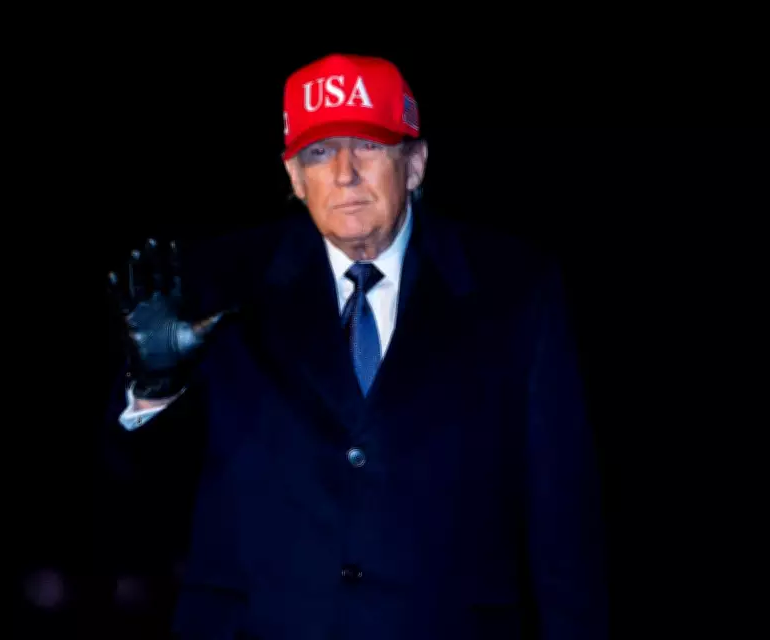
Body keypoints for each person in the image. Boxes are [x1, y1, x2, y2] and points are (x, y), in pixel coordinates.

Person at [103, 53, 608, 639]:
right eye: (319, 152)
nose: (344, 173)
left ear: (414, 164)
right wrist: (154, 388)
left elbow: (563, 513)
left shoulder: (516, 289)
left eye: (367, 145)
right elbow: (136, 499)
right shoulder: (217, 284)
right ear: (294, 177)